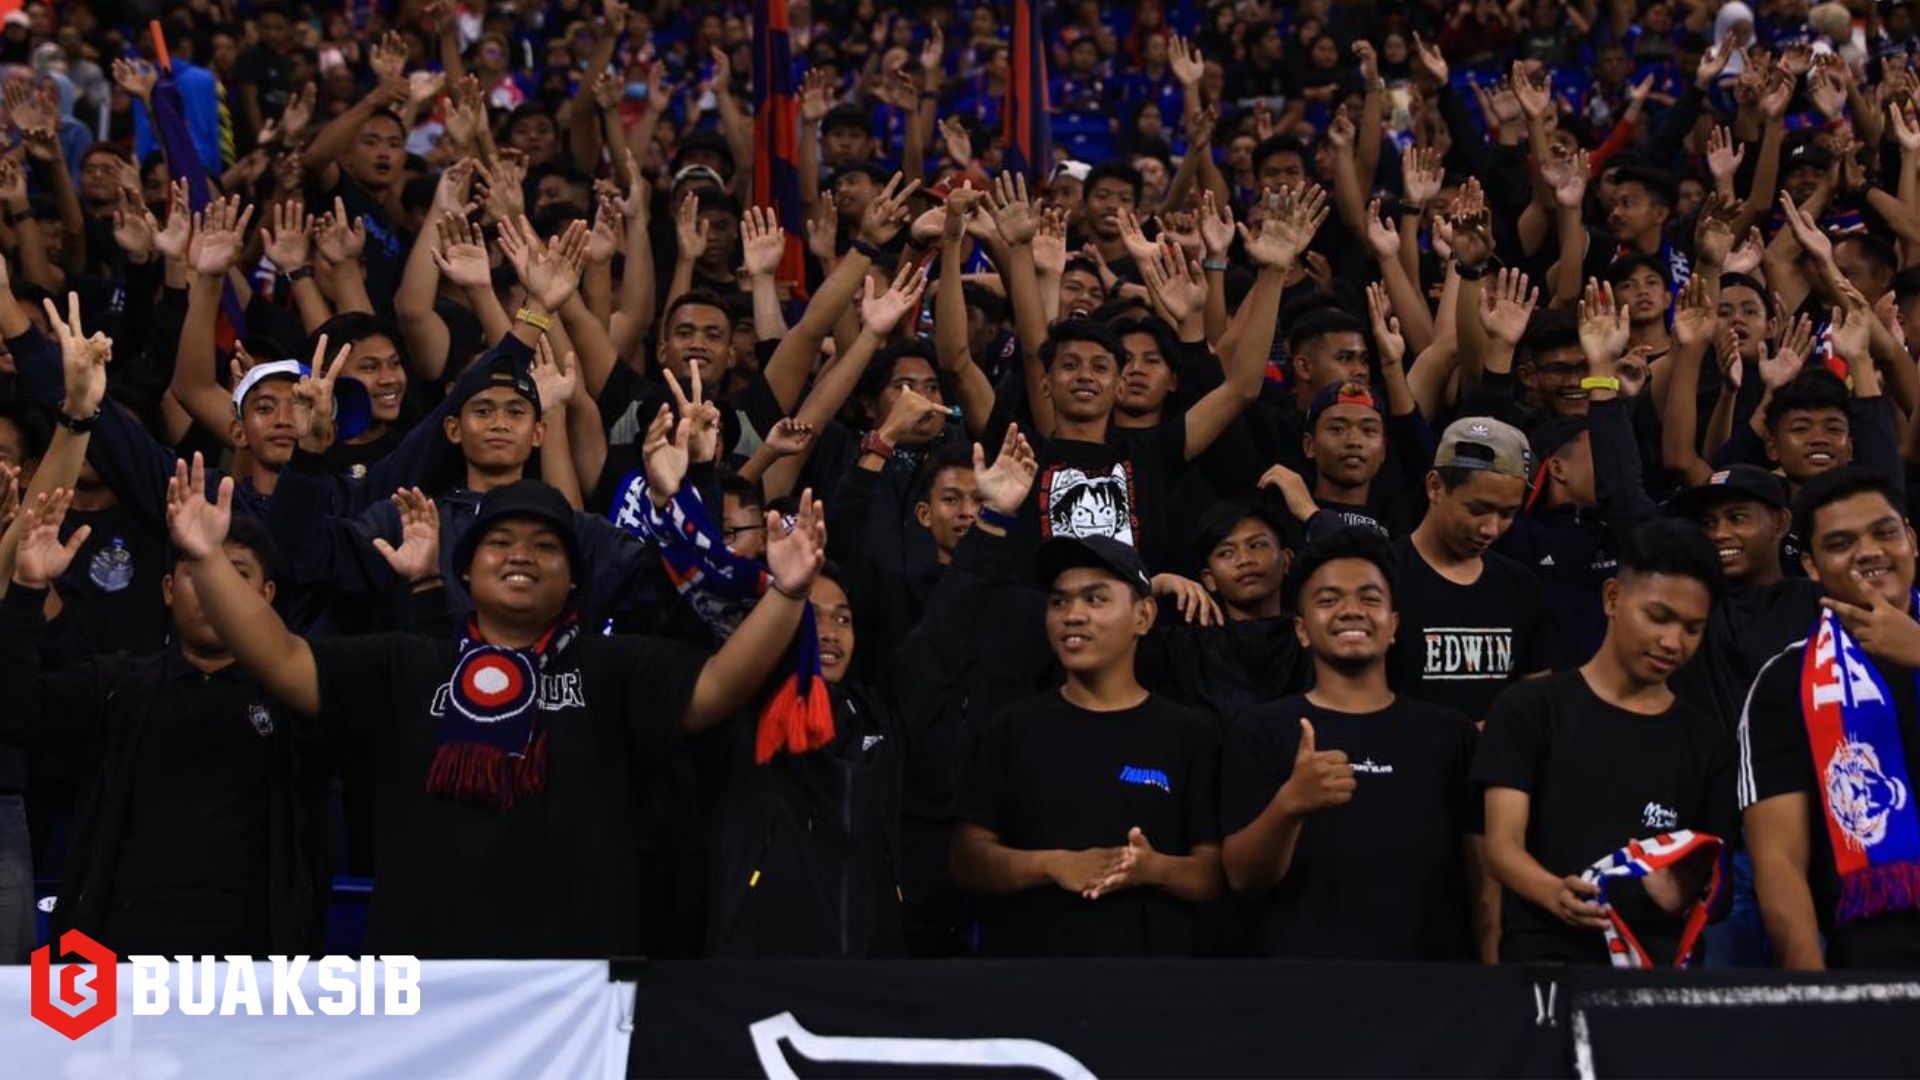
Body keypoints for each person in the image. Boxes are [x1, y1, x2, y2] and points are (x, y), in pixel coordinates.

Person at [167, 459, 830, 957]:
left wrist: (788, 595)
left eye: (546, 546)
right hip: (425, 983)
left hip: (575, 990)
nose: (521, 555)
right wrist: (207, 561)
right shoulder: (405, 665)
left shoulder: (613, 668)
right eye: (500, 541)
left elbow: (718, 687)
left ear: (574, 578)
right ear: (466, 569)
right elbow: (281, 660)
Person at [950, 530, 1222, 957]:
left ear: (1144, 616)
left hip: (1153, 981)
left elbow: (1214, 874)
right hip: (1032, 979)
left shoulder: (1189, 733)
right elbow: (966, 859)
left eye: (1095, 599)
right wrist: (1051, 864)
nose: (1073, 615)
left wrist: (1153, 869)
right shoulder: (1011, 729)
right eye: (1059, 602)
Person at [1477, 518, 1736, 964]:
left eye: (1693, 628)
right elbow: (1502, 848)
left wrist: (1678, 890)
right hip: (1545, 966)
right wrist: (1554, 892)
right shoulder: (1528, 708)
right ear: (1612, 597)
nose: (1672, 642)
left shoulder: (1710, 743)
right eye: (1658, 617)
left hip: (1656, 977)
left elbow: (1712, 880)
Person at [1223, 527, 1484, 960]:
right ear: (1302, 630)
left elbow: (1482, 885)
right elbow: (1241, 879)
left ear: (1394, 625)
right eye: (1328, 600)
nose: (1351, 611)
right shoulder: (1259, 730)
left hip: (1432, 986)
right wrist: (1290, 804)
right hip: (1300, 984)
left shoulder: (1451, 735)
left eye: (1370, 598)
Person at [1740, 468, 1920, 969]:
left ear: (1912, 539)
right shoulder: (1785, 681)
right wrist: (1816, 998)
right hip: (1876, 956)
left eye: (1885, 532)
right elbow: (1780, 863)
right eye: (1841, 543)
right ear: (1811, 565)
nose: (1869, 552)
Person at [1388, 416, 1557, 718]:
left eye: (1507, 514)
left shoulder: (1521, 586)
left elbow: (1536, 705)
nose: (1491, 529)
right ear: (1436, 487)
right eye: (1478, 510)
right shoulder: (1382, 576)